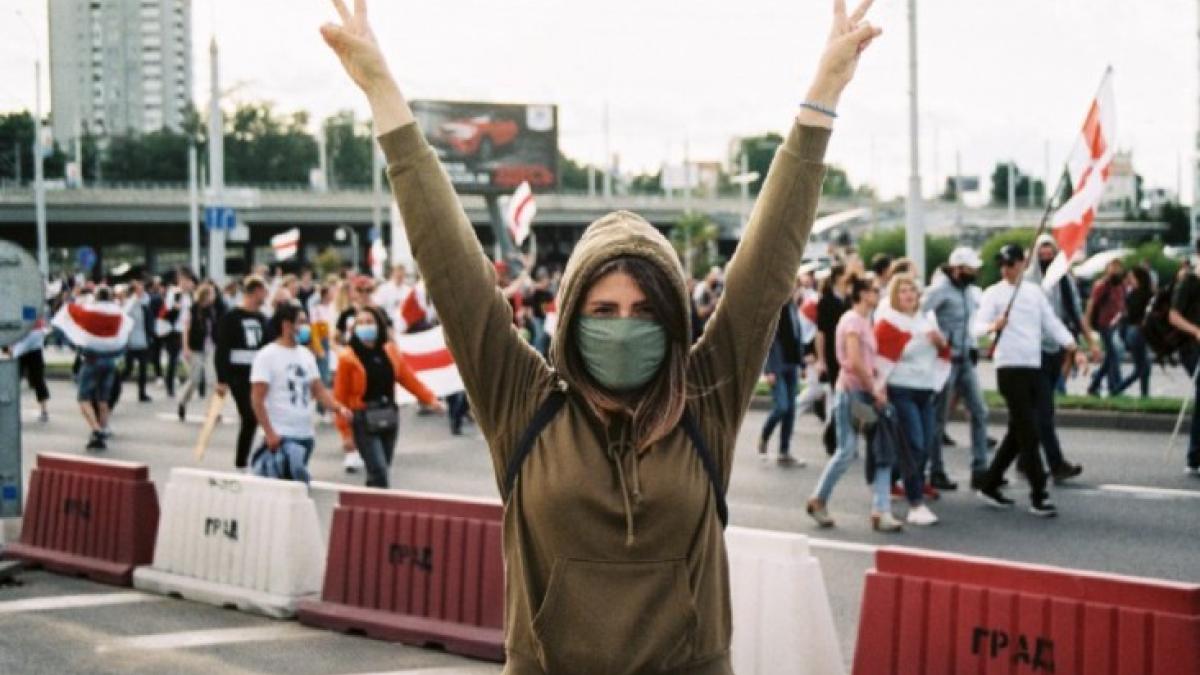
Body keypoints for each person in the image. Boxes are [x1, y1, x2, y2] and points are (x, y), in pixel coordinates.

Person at [321, 0, 878, 670]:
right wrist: (385, 97)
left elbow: (767, 267)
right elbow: (451, 265)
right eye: (604, 310)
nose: (624, 327)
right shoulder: (521, 400)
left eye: (645, 311)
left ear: (672, 322)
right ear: (571, 317)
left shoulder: (706, 397)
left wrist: (821, 100)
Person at [972, 244, 1083, 516]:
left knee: (1017, 433)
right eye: (1002, 264)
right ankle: (1039, 493)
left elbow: (1052, 323)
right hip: (1009, 369)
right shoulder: (994, 294)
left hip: (1034, 367)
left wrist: (1073, 347)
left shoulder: (1034, 293)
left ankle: (989, 482)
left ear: (1023, 263)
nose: (1006, 269)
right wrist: (992, 326)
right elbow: (975, 327)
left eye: (1011, 263)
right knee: (1030, 432)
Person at [806, 273, 901, 532]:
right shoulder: (852, 321)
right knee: (848, 450)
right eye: (873, 289)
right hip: (853, 394)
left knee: (879, 447)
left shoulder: (863, 320)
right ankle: (821, 500)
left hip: (860, 393)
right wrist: (874, 389)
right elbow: (855, 361)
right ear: (860, 293)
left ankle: (880, 510)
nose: (878, 292)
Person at [333, 306, 443, 487]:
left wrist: (430, 399)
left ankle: (370, 507)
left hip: (388, 415)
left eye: (369, 322)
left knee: (381, 469)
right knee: (379, 471)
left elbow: (408, 379)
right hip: (363, 418)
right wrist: (345, 433)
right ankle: (376, 507)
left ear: (378, 325)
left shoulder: (390, 351)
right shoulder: (347, 358)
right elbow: (340, 398)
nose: (365, 326)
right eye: (360, 323)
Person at [250, 302, 350, 482]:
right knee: (291, 486)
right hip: (282, 435)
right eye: (301, 322)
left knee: (295, 487)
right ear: (286, 325)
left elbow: (318, 390)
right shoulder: (267, 356)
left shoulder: (306, 355)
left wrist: (338, 408)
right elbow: (257, 399)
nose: (305, 328)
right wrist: (270, 433)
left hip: (305, 434)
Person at [877, 273, 946, 526]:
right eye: (903, 291)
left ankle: (886, 477)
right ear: (895, 296)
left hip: (924, 390)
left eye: (912, 290)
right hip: (901, 389)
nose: (908, 295)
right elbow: (883, 358)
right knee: (914, 444)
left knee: (925, 444)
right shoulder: (888, 323)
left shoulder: (925, 321)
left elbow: (941, 350)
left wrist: (939, 343)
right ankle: (915, 502)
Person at [1025, 235, 1091, 483]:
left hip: (1057, 349)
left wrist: (1085, 344)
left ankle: (1023, 458)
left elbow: (1073, 312)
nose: (1046, 257)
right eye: (1041, 253)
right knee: (1044, 411)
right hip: (1034, 352)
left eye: (1049, 252)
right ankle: (1056, 464)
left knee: (1032, 412)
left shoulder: (1064, 280)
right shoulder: (1029, 282)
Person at [922, 246, 989, 490]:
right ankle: (935, 469)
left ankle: (980, 468)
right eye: (971, 269)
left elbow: (973, 322)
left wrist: (973, 343)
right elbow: (919, 313)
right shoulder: (940, 290)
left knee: (980, 411)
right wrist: (936, 338)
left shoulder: (970, 292)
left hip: (966, 359)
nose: (975, 273)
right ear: (958, 269)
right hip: (945, 360)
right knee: (939, 418)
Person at [52, 286, 132, 451]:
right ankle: (102, 429)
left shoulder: (88, 312)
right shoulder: (117, 313)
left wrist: (72, 298)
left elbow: (68, 312)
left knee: (84, 398)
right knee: (104, 400)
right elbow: (126, 327)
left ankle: (96, 430)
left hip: (92, 360)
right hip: (110, 361)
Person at [215, 275, 270, 471]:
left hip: (260, 375)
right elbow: (222, 349)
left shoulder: (263, 318)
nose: (266, 295)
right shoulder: (231, 317)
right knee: (249, 415)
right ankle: (241, 463)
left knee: (261, 416)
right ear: (255, 292)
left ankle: (264, 459)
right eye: (264, 291)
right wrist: (222, 379)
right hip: (238, 375)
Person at [758, 280, 806, 466]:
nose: (793, 289)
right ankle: (764, 436)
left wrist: (801, 362)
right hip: (777, 367)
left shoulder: (793, 307)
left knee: (791, 411)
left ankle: (784, 451)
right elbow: (765, 342)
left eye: (795, 286)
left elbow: (797, 335)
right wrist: (768, 370)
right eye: (790, 285)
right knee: (782, 407)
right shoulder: (772, 310)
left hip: (791, 365)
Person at [1167, 237, 1200, 476]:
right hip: (1191, 347)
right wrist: (1196, 331)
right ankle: (1194, 456)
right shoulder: (1189, 281)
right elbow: (1173, 316)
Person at [815, 261, 851, 455]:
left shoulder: (848, 299)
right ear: (838, 277)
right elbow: (820, 333)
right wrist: (821, 360)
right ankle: (831, 437)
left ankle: (841, 436)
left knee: (845, 398)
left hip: (847, 353)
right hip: (832, 354)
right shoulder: (826, 300)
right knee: (839, 397)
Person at [177, 284, 220, 420]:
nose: (214, 296)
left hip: (210, 348)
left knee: (212, 380)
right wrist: (185, 347)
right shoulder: (192, 309)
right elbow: (186, 329)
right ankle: (182, 401)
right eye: (211, 293)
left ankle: (211, 411)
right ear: (205, 295)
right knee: (195, 379)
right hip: (195, 348)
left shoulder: (212, 310)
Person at [1085, 257, 1126, 397]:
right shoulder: (1102, 285)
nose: (1115, 270)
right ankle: (1114, 386)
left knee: (1111, 356)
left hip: (1116, 324)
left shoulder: (1121, 285)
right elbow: (1091, 305)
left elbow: (1122, 303)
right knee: (1113, 355)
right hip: (1105, 324)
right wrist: (1087, 326)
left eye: (1118, 266)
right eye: (1112, 266)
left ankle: (1097, 383)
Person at [1114, 266, 1153, 398]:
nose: (1130, 280)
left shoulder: (1133, 294)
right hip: (1138, 332)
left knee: (1144, 367)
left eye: (1132, 277)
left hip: (1133, 332)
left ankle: (1144, 395)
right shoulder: (1144, 294)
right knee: (1141, 368)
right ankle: (1117, 390)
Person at [10, 318, 50, 422]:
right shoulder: (34, 306)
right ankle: (44, 410)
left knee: (13, 380)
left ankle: (10, 411)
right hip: (34, 342)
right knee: (38, 379)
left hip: (22, 341)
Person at [121, 280, 154, 403]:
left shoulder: (144, 302)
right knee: (128, 368)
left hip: (143, 339)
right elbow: (124, 315)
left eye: (142, 289)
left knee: (143, 368)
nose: (142, 291)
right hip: (131, 340)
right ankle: (114, 384)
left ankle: (142, 393)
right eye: (139, 289)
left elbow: (148, 311)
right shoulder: (130, 303)